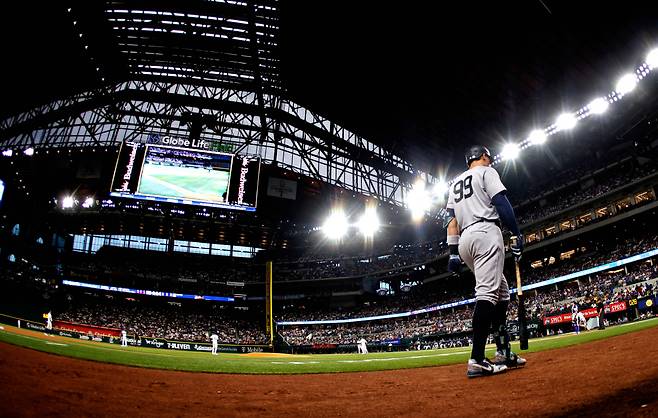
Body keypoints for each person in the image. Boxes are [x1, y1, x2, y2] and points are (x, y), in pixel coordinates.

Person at [445, 145, 527, 378]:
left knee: (501, 294)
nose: (489, 160)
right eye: (488, 157)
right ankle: (477, 358)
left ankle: (503, 352)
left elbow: (451, 222)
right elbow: (501, 202)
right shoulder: (486, 171)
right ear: (483, 156)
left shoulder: (454, 184)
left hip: (465, 242)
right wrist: (516, 233)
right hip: (486, 232)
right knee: (487, 294)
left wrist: (452, 252)